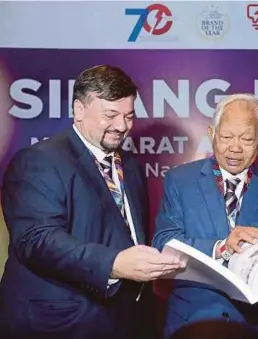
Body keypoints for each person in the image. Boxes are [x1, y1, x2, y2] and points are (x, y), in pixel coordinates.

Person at [0, 65, 184, 339]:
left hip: (125, 320)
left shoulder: (130, 165)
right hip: (58, 322)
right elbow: (36, 240)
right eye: (110, 115)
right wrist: (114, 263)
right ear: (79, 109)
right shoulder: (39, 160)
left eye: (129, 116)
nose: (122, 126)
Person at [153, 93, 258, 338]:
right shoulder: (180, 180)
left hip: (253, 327)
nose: (235, 148)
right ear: (211, 134)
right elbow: (163, 244)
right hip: (192, 324)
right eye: (226, 137)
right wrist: (220, 247)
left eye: (247, 139)